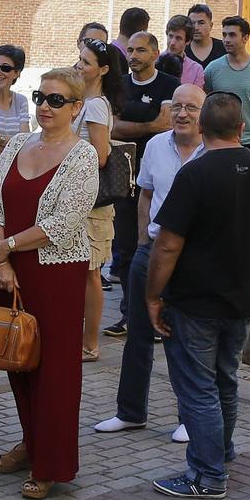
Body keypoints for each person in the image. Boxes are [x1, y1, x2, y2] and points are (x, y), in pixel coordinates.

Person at [145, 92, 250, 499]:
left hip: (195, 300)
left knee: (198, 388)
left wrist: (153, 296)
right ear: (242, 129)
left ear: (203, 128)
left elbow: (168, 244)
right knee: (225, 380)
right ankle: (221, 452)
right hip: (240, 298)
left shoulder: (194, 175)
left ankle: (207, 475)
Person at [0, 68, 100, 499]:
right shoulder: (16, 143)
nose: (45, 107)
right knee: (19, 362)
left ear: (76, 107)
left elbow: (63, 223)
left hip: (55, 272)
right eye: (40, 97)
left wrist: (6, 248)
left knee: (54, 370)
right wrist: (2, 259)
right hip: (10, 269)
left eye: (56, 100)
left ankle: (52, 463)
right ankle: (32, 445)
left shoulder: (82, 155)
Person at [95, 84, 205, 442]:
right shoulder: (157, 145)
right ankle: (130, 413)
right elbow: (145, 193)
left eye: (191, 107)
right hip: (152, 249)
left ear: (205, 114)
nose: (182, 114)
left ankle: (189, 417)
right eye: (177, 107)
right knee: (137, 335)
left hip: (192, 256)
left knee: (184, 339)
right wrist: (143, 241)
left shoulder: (212, 152)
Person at [107, 31, 180, 313]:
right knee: (125, 246)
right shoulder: (119, 85)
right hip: (123, 177)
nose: (133, 56)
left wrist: (130, 122)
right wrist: (147, 123)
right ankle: (130, 310)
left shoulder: (169, 85)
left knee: (162, 242)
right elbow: (111, 126)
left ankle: (163, 306)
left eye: (140, 51)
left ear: (154, 53)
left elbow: (166, 123)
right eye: (130, 51)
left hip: (161, 178)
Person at [75, 38, 129, 362]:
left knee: (91, 273)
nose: (79, 65)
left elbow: (101, 155)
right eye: (79, 59)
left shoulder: (95, 105)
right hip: (80, 197)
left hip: (90, 202)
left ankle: (89, 343)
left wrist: (66, 155)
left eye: (86, 62)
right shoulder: (89, 100)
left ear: (103, 70)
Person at [203, 16, 250, 148]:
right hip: (219, 140)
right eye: (224, 35)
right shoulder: (212, 69)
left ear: (245, 38)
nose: (226, 40)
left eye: (232, 35)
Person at [0, 43, 32, 154]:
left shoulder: (21, 101)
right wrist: (14, 146)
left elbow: (25, 142)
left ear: (17, 73)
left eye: (5, 68)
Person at [162, 14, 206, 88]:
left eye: (178, 38)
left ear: (188, 41)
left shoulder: (196, 69)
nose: (172, 42)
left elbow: (196, 97)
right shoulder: (153, 62)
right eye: (170, 36)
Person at [183, 4, 223, 69]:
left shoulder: (223, 49)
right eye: (192, 23)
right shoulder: (182, 50)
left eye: (201, 23)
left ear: (211, 25)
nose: (196, 27)